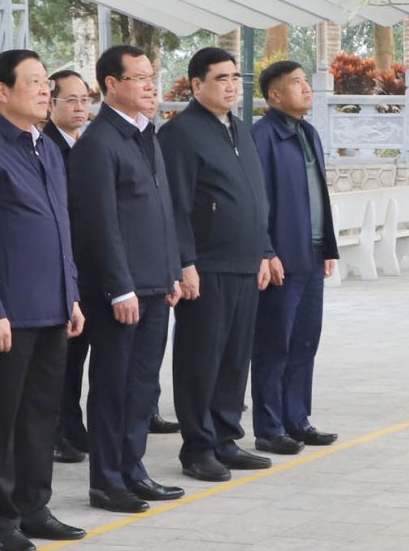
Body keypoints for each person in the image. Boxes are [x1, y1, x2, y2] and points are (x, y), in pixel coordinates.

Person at [0, 50, 88, 551]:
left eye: (45, 82)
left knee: (40, 415)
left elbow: (62, 228)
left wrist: (71, 294)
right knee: (2, 419)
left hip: (52, 306)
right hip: (8, 313)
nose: (44, 91)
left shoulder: (46, 148)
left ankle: (35, 506)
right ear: (0, 92)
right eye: (33, 82)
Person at [67, 45, 185, 514]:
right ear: (111, 85)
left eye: (151, 77)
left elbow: (163, 211)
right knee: (113, 386)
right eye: (138, 78)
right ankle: (107, 480)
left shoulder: (147, 136)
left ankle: (134, 471)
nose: (150, 86)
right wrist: (120, 287)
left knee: (142, 387)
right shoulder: (99, 143)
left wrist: (172, 271)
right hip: (121, 291)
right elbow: (99, 223)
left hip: (156, 284)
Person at [159, 47, 276, 482]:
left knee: (233, 358)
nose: (230, 86)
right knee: (200, 359)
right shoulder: (180, 134)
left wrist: (264, 250)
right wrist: (184, 262)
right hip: (205, 268)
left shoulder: (240, 131)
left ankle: (226, 438)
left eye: (234, 78)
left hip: (245, 264)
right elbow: (175, 206)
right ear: (195, 85)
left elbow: (254, 196)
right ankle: (198, 448)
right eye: (220, 78)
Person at [249, 61, 340, 456]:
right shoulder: (262, 137)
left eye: (306, 82)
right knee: (274, 345)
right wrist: (266, 252)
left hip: (312, 254)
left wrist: (328, 249)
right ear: (274, 96)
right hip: (281, 259)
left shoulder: (309, 132)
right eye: (297, 83)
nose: (307, 89)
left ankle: (297, 419)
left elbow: (318, 194)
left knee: (305, 342)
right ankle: (269, 427)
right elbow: (257, 202)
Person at [47, 69, 93, 465]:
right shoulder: (46, 147)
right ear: (50, 103)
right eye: (71, 100)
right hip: (59, 273)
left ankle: (73, 426)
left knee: (77, 358)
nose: (80, 108)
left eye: (85, 100)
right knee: (61, 361)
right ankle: (58, 431)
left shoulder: (87, 145)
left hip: (88, 270)